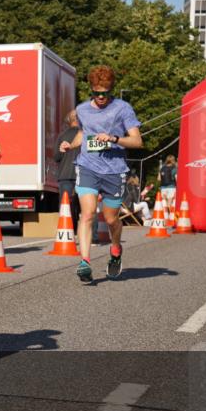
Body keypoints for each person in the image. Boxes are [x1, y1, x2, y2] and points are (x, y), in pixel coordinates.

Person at [60, 66, 143, 283]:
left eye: (104, 93)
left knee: (110, 218)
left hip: (114, 171)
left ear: (111, 90)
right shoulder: (82, 109)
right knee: (87, 214)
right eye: (96, 92)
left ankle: (116, 250)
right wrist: (71, 145)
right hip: (87, 166)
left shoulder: (123, 108)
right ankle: (85, 262)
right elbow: (82, 133)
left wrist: (115, 139)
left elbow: (137, 140)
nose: (100, 97)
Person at [54, 110, 82, 224]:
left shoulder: (62, 136)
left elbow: (57, 157)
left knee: (65, 205)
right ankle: (94, 236)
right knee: (87, 206)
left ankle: (66, 229)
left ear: (68, 121)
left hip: (65, 174)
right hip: (84, 174)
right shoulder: (86, 134)